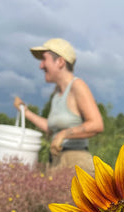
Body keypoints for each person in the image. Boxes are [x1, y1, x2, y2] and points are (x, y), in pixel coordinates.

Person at [14, 38, 104, 175]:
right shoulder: (57, 94)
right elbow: (51, 129)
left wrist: (64, 134)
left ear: (60, 62)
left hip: (76, 163)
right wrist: (25, 112)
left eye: (44, 59)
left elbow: (97, 124)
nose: (41, 66)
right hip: (56, 162)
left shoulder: (77, 86)